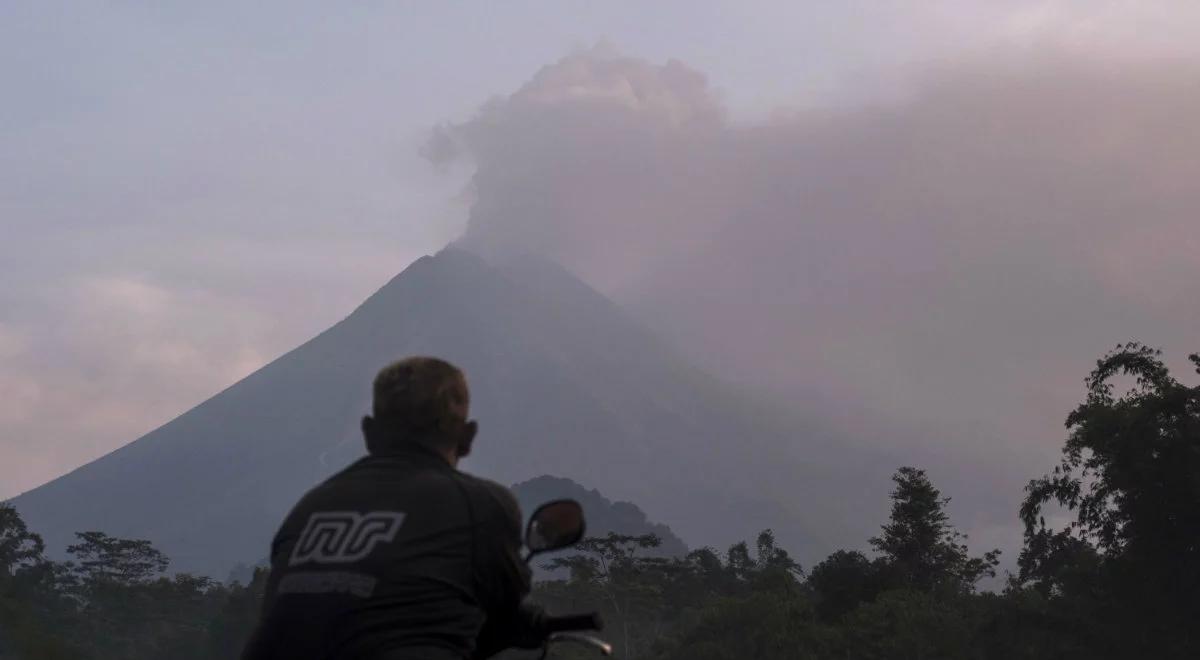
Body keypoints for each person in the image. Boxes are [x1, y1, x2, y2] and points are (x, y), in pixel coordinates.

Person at [241, 357, 545, 660]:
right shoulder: (479, 503)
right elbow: (505, 608)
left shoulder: (309, 507)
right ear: (467, 438)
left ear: (368, 431)